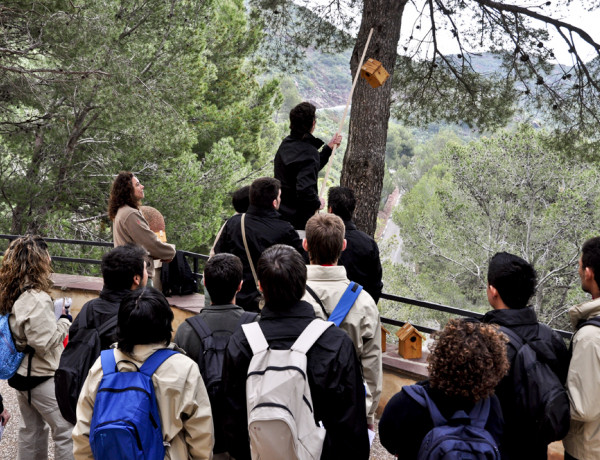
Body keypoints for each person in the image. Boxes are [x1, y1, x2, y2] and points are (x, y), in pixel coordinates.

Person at [221, 244, 370, 460]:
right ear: (304, 284)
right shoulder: (336, 343)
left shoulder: (242, 342)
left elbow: (231, 422)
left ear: (260, 286)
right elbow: (351, 428)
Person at [73, 287, 214, 460]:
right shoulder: (184, 368)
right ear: (166, 322)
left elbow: (83, 432)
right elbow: (201, 436)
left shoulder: (102, 366)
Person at [481, 252, 569, 460]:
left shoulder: (486, 341)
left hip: (496, 447)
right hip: (535, 447)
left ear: (493, 291)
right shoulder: (550, 336)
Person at [379, 319, 509, 458]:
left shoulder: (408, 401)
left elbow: (388, 441)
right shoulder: (491, 405)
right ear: (493, 366)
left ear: (439, 356)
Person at [301, 213, 382, 429]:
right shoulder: (364, 302)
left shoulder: (292, 294)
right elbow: (371, 367)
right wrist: (367, 413)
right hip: (346, 410)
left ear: (305, 244)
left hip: (301, 404)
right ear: (343, 245)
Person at [175, 253, 258, 460]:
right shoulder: (256, 327)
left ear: (204, 283)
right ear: (240, 286)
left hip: (203, 439)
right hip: (246, 437)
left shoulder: (186, 331)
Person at [0, 235, 73, 460]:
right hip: (41, 375)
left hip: (22, 375)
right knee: (66, 432)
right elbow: (43, 343)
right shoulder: (36, 298)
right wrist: (64, 321)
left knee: (31, 431)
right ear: (38, 261)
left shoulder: (10, 292)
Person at [213, 177, 304, 312]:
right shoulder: (284, 229)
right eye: (279, 197)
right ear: (274, 203)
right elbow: (299, 263)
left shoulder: (234, 223)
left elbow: (219, 255)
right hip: (273, 301)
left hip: (237, 300)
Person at [274, 102, 342, 230]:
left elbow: (307, 168)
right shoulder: (308, 152)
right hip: (298, 221)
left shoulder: (287, 143)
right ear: (312, 124)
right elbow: (305, 190)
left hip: (280, 212)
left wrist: (328, 148)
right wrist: (316, 202)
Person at [68, 244, 148, 348]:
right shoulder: (137, 317)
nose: (147, 273)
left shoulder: (88, 308)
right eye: (146, 269)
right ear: (136, 279)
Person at [563, 237, 600, 460]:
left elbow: (581, 407)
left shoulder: (590, 337)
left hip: (589, 449)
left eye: (579, 266)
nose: (578, 271)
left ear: (588, 273)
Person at [108, 171, 175, 287]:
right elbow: (149, 242)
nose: (142, 186)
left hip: (128, 273)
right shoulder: (130, 214)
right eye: (137, 184)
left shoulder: (123, 211)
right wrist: (170, 252)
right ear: (128, 190)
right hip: (137, 276)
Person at [327, 186, 383, 302]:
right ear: (353, 210)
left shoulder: (320, 239)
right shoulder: (369, 244)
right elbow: (376, 285)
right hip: (358, 307)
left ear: (330, 210)